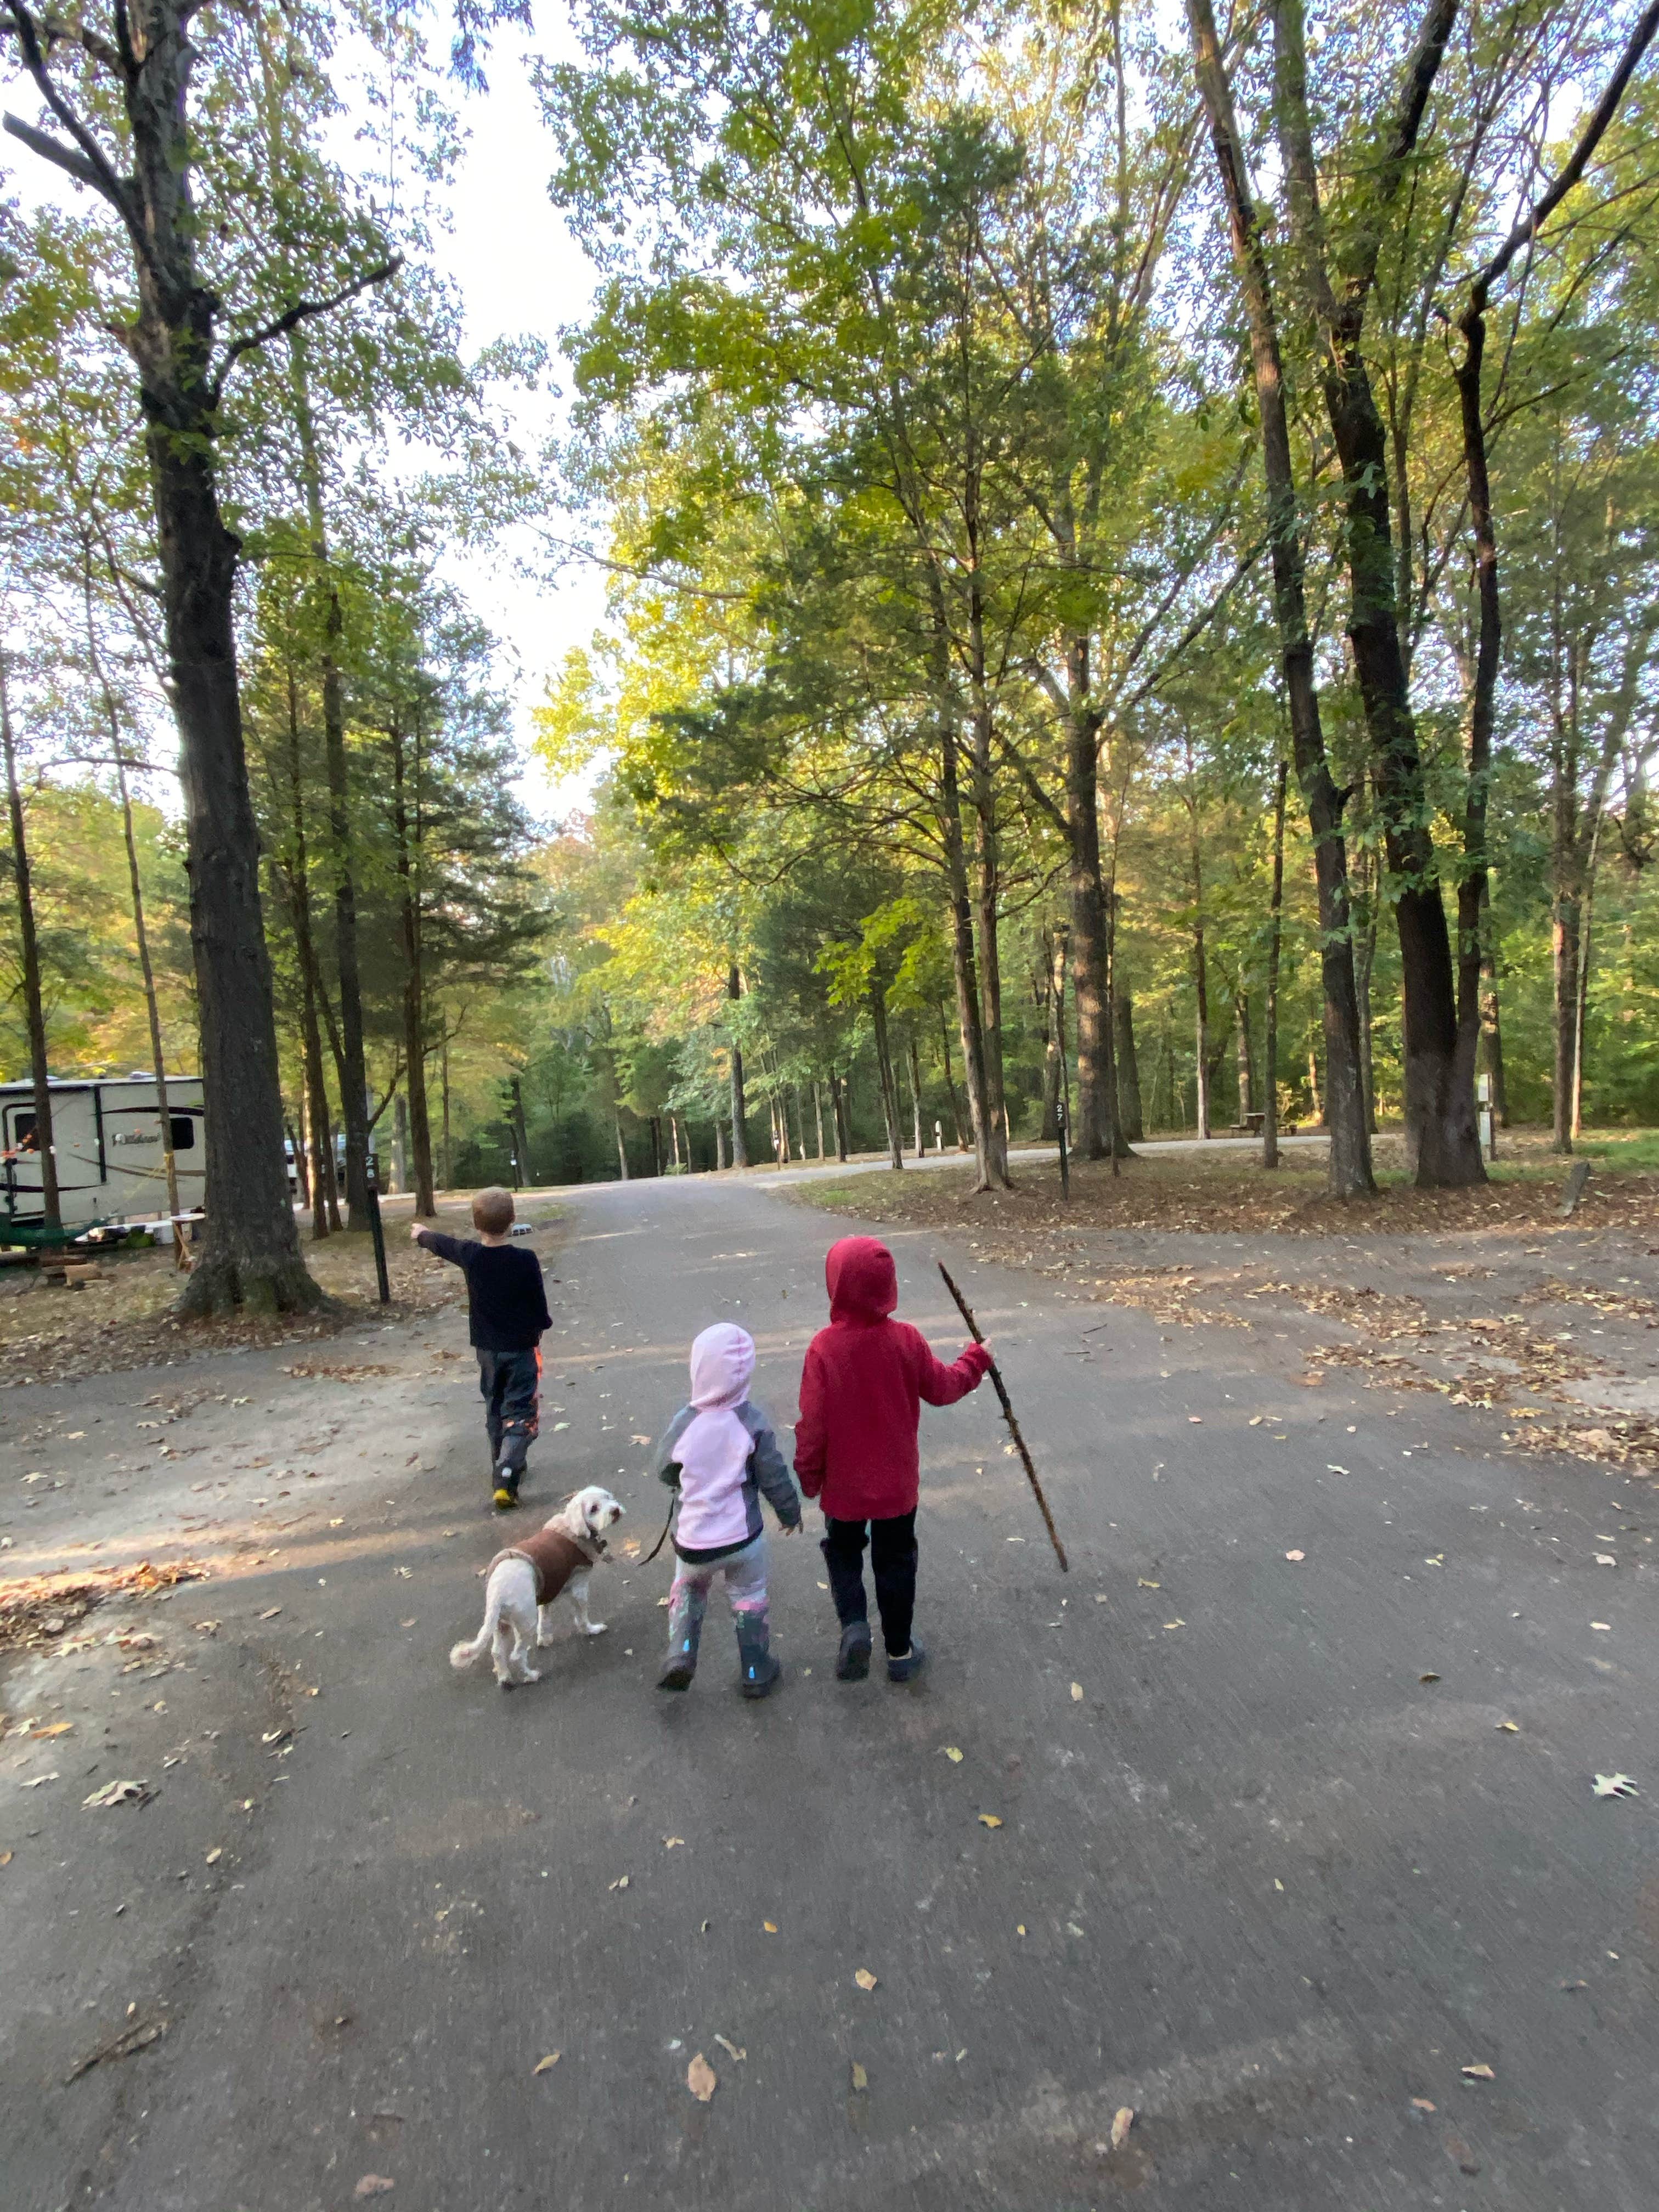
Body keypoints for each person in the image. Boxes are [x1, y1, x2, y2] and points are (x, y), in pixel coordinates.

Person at [794, 1235, 991, 1683]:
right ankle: (900, 1652)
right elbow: (943, 1387)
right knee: (896, 1560)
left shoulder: (824, 1349)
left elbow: (813, 1425)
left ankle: (856, 1628)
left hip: (844, 1488)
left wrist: (809, 1476)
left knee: (843, 1552)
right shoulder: (906, 1340)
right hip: (897, 1488)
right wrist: (976, 1360)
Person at [652, 1321, 801, 1699]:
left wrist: (681, 1480)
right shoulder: (751, 1421)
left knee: (688, 1588)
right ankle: (755, 1668)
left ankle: (681, 1654)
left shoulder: (685, 1422)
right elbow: (774, 1475)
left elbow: (663, 1467)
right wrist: (789, 1513)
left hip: (693, 1541)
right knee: (749, 1594)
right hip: (743, 1539)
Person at [410, 1188, 551, 1510]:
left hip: (488, 1350)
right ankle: (506, 1474)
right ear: (513, 1221)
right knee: (520, 1410)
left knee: (495, 1403)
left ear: (476, 1225)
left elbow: (441, 1244)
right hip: (521, 1349)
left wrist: (421, 1234)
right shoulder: (525, 1260)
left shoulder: (472, 1255)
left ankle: (498, 1460)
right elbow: (538, 1305)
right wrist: (541, 1325)